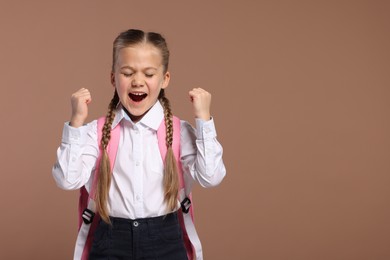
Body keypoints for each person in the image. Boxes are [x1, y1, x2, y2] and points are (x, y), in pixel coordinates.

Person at [52, 29, 226, 260]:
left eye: (149, 74)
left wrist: (203, 120)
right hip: (110, 241)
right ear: (113, 78)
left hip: (165, 240)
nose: (137, 81)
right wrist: (76, 122)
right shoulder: (95, 132)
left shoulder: (180, 132)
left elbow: (211, 177)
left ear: (165, 79)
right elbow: (67, 180)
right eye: (127, 72)